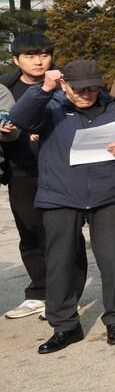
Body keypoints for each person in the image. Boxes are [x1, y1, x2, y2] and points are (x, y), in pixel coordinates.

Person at [13, 60, 115, 353]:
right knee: (60, 262)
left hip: (108, 196)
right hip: (60, 196)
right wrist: (43, 89)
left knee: (111, 261)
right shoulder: (50, 108)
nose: (86, 94)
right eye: (79, 88)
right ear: (64, 85)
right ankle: (65, 326)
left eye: (93, 88)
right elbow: (20, 118)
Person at [1, 31, 47, 320]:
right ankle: (39, 293)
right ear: (16, 59)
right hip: (20, 172)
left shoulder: (64, 84)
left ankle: (66, 295)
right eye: (30, 56)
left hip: (59, 172)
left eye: (44, 54)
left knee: (62, 235)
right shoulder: (5, 88)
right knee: (29, 233)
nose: (38, 61)